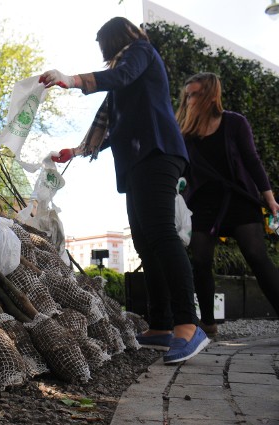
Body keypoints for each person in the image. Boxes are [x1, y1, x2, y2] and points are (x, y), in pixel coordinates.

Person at [39, 16, 209, 364]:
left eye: (103, 43)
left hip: (158, 153)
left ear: (114, 39)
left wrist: (71, 80)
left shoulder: (140, 53)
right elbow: (114, 122)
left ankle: (188, 325)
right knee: (147, 243)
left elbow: (120, 77)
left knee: (162, 234)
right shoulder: (128, 72)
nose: (103, 51)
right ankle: (161, 324)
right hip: (138, 161)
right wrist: (78, 150)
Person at [176, 72, 279, 337]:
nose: (190, 100)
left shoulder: (234, 122)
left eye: (196, 94)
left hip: (238, 199)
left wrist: (269, 198)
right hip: (202, 203)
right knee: (200, 261)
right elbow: (182, 170)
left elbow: (252, 160)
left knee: (257, 257)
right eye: (187, 95)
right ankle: (208, 324)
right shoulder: (184, 133)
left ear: (211, 96)